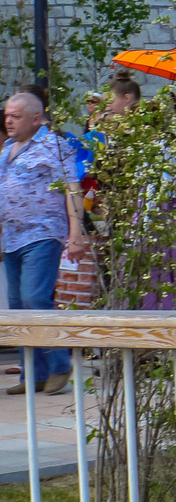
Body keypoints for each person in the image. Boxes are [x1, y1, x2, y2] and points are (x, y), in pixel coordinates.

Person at [3, 91, 83, 395]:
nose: (9, 121)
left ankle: (60, 364)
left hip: (42, 233)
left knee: (35, 298)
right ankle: (34, 374)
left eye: (16, 116)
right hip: (12, 237)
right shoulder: (7, 148)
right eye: (7, 116)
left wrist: (75, 234)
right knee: (18, 307)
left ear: (36, 118)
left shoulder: (54, 146)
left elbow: (72, 189)